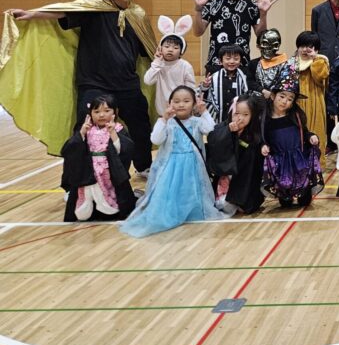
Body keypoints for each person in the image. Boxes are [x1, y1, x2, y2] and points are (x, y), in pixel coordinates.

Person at [2, 0, 158, 168]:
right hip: (94, 83)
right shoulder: (93, 8)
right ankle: (78, 175)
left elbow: (148, 52)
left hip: (127, 83)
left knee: (141, 126)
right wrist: (32, 14)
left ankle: (144, 166)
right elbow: (63, 12)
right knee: (84, 128)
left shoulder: (137, 14)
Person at [120, 86, 225, 237]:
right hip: (170, 165)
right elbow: (156, 139)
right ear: (170, 104)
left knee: (190, 189)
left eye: (186, 101)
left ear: (194, 103)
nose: (181, 104)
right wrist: (163, 119)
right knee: (171, 189)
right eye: (176, 101)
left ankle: (190, 211)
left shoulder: (197, 122)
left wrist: (204, 112)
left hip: (193, 164)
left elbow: (211, 130)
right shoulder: (167, 123)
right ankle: (172, 212)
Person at [190, 0, 277, 73]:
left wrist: (263, 14)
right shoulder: (213, 3)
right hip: (216, 61)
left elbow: (260, 35)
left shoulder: (252, 5)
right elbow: (197, 32)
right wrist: (198, 10)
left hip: (242, 61)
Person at [60, 94, 136, 222]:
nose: (101, 115)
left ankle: (110, 210)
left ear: (115, 112)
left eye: (106, 111)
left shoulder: (118, 129)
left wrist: (113, 134)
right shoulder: (86, 130)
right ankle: (87, 211)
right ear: (90, 114)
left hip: (108, 171)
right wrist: (82, 133)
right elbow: (70, 150)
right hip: (89, 170)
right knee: (86, 195)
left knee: (109, 197)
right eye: (96, 111)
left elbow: (125, 150)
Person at [261, 71, 324, 209]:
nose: (285, 101)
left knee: (304, 200)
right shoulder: (266, 118)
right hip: (280, 159)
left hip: (298, 157)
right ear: (273, 96)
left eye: (290, 99)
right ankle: (286, 196)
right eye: (282, 96)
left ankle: (304, 194)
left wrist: (311, 136)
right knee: (285, 202)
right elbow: (262, 138)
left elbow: (304, 132)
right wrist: (264, 145)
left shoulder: (295, 115)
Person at [206, 91, 266, 216]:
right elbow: (213, 143)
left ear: (252, 115)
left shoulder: (255, 133)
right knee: (224, 205)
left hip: (245, 178)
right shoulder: (222, 127)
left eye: (246, 114)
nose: (240, 118)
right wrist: (228, 132)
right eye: (237, 113)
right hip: (227, 175)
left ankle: (243, 202)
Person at [143, 15, 196, 116]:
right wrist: (157, 62)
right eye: (166, 46)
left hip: (181, 111)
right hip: (163, 111)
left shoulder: (185, 66)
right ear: (160, 48)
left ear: (181, 51)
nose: (170, 50)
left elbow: (191, 88)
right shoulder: (158, 65)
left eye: (175, 48)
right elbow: (148, 81)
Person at [294, 31, 330, 166]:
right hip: (296, 104)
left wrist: (315, 59)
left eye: (309, 46)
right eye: (302, 46)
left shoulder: (321, 61)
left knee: (316, 131)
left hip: (315, 103)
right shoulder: (292, 63)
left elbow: (320, 78)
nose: (305, 50)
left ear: (316, 48)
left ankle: (317, 164)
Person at [203, 44, 248, 124]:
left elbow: (246, 95)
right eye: (228, 58)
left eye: (236, 59)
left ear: (240, 61)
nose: (232, 61)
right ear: (220, 61)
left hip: (236, 115)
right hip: (217, 116)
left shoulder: (243, 77)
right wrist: (205, 86)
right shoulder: (214, 77)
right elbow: (204, 96)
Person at [248, 28, 294, 97]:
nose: (269, 48)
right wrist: (262, 90)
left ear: (278, 46)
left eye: (274, 45)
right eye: (265, 44)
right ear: (258, 46)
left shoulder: (286, 64)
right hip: (257, 99)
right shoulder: (253, 64)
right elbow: (249, 82)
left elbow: (287, 84)